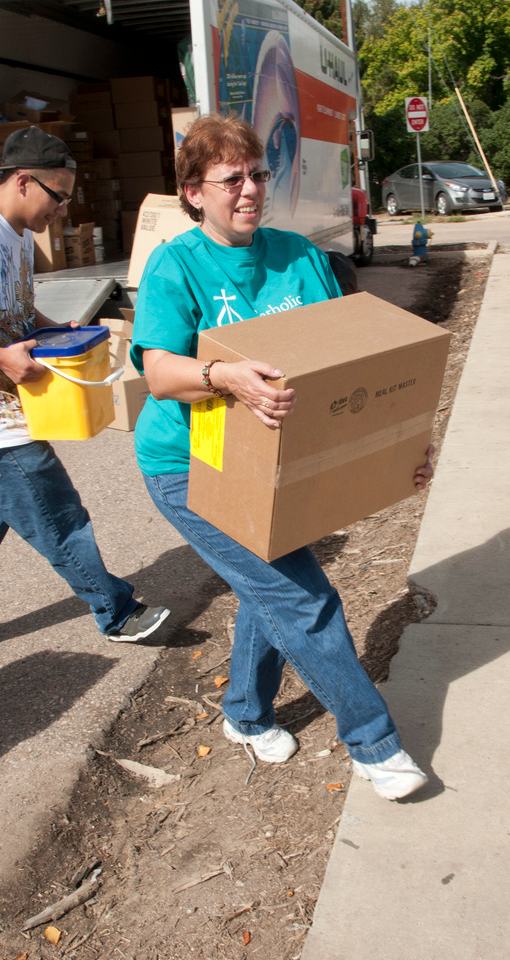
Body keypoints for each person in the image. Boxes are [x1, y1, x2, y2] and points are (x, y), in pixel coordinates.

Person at [130, 114, 434, 801]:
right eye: (231, 178)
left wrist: (406, 443)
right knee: (302, 594)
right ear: (193, 193)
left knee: (268, 587)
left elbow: (352, 359)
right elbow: (158, 372)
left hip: (273, 460)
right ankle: (375, 743)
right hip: (193, 465)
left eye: (258, 174)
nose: (249, 189)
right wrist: (222, 375)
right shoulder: (175, 265)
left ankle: (243, 711)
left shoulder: (299, 255)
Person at [0, 126, 170, 660]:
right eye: (57, 196)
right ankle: (117, 612)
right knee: (58, 514)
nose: (62, 210)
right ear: (23, 181)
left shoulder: (17, 236)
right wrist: (0, 357)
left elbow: (8, 308)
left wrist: (48, 329)